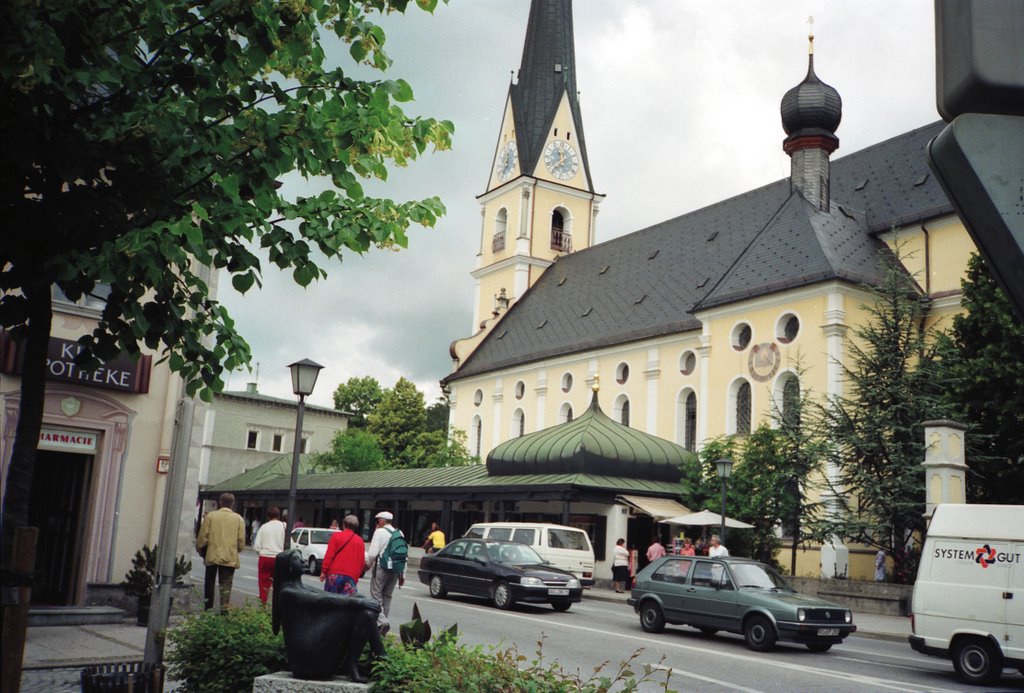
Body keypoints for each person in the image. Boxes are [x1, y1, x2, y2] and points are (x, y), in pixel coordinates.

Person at [196, 492, 246, 613]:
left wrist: (200, 549)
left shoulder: (211, 516)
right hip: (229, 556)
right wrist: (236, 550)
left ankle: (208, 608)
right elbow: (241, 541)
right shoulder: (238, 518)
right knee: (226, 584)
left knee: (210, 583)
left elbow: (203, 537)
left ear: (220, 502)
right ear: (232, 504)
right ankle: (224, 609)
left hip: (212, 554)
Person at [366, 510, 405, 635]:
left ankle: (382, 622)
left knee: (376, 595)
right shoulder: (399, 533)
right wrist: (402, 574)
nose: (377, 523)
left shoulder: (379, 532)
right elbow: (404, 555)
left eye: (378, 520)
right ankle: (383, 625)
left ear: (382, 521)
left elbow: (372, 553)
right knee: (387, 596)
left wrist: (368, 565)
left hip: (381, 567)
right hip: (395, 569)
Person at [321, 515, 366, 595]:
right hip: (350, 576)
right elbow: (361, 561)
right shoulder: (360, 541)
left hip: (334, 573)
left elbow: (329, 555)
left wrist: (324, 571)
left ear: (344, 524)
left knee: (330, 600)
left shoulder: (336, 536)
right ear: (355, 526)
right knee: (346, 603)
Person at [252, 506, 285, 604]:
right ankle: (277, 607)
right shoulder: (284, 526)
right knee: (279, 585)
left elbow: (257, 546)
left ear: (268, 516)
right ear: (279, 515)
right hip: (279, 558)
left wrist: (262, 552)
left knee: (263, 584)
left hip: (265, 557)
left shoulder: (264, 527)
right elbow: (290, 544)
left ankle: (263, 606)